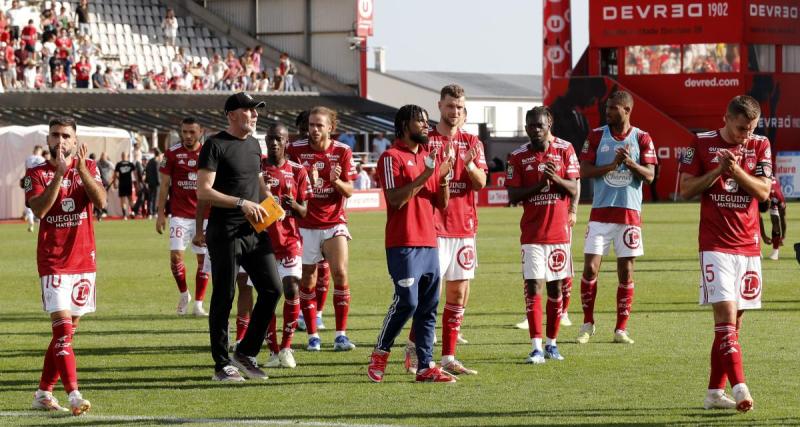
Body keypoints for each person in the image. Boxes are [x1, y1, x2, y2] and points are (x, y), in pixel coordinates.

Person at [678, 95, 770, 412]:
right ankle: (741, 388)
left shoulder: (760, 145)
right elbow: (685, 189)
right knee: (726, 320)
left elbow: (764, 192)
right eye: (742, 128)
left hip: (749, 245)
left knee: (734, 326)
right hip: (715, 245)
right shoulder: (701, 143)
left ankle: (714, 393)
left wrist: (738, 173)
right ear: (727, 118)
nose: (747, 135)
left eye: (751, 128)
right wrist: (719, 170)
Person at [196, 92, 282, 382]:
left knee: (272, 289)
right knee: (225, 295)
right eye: (248, 110)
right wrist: (241, 203)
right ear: (231, 114)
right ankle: (222, 364)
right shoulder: (214, 144)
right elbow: (203, 191)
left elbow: (256, 181)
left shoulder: (255, 145)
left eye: (256, 111)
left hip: (254, 231)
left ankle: (245, 352)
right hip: (225, 231)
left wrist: (270, 202)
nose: (254, 115)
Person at [23, 116, 106, 415]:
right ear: (48, 140)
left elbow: (100, 200)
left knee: (66, 334)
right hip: (54, 262)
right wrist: (59, 175)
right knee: (62, 332)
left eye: (66, 136)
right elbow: (41, 209)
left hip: (84, 262)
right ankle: (73, 394)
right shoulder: (36, 173)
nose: (60, 141)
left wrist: (81, 169)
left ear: (75, 140)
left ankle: (43, 393)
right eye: (55, 135)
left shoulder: (90, 167)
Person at [405, 84, 487, 376]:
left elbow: (480, 183)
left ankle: (449, 356)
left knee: (459, 293)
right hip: (434, 229)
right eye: (451, 106)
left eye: (460, 107)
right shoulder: (428, 141)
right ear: (439, 106)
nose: (455, 112)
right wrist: (439, 174)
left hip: (464, 228)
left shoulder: (472, 142)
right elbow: (417, 179)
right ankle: (414, 351)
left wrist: (468, 164)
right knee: (429, 296)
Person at [368, 104, 452, 383]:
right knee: (408, 302)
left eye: (428, 121)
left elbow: (442, 204)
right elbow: (395, 199)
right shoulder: (391, 157)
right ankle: (380, 352)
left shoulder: (429, 157)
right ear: (404, 125)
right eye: (420, 121)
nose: (426, 126)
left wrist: (443, 178)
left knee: (429, 306)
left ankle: (426, 365)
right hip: (403, 243)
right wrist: (428, 175)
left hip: (429, 241)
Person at [576, 90, 657, 345]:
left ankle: (621, 328)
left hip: (629, 214)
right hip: (601, 213)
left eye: (612, 108)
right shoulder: (597, 135)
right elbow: (584, 169)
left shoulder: (642, 138)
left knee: (626, 271)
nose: (607, 111)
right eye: (607, 107)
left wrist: (630, 163)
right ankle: (588, 323)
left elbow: (650, 175)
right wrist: (611, 166)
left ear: (626, 110)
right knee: (590, 268)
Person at [506, 106, 580, 364]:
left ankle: (552, 344)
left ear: (549, 122)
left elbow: (574, 187)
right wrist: (540, 184)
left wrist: (556, 180)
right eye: (530, 126)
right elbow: (513, 196)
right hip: (533, 234)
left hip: (559, 233)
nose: (535, 130)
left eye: (539, 125)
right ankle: (536, 347)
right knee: (533, 286)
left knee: (555, 289)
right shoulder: (517, 156)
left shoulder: (565, 149)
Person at [287, 106, 357, 352]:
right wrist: (307, 182)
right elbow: (288, 184)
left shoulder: (343, 151)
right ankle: (313, 336)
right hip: (305, 224)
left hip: (334, 222)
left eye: (319, 125)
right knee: (307, 279)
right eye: (311, 125)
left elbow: (349, 190)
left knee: (340, 273)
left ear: (330, 128)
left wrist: (334, 179)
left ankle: (341, 335)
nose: (314, 129)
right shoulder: (295, 150)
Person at [259, 122, 311, 369]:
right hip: (262, 241)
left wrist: (292, 204)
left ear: (287, 141)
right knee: (269, 295)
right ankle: (272, 351)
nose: (274, 142)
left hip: (289, 240)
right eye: (270, 138)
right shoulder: (257, 168)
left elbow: (304, 211)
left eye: (279, 139)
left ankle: (287, 348)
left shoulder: (298, 171)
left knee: (291, 290)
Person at [156, 118, 210, 316]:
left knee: (203, 260)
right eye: (184, 132)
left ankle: (198, 304)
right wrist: (160, 213)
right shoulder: (171, 153)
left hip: (204, 215)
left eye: (192, 132)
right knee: (175, 257)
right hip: (179, 215)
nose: (187, 136)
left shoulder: (208, 153)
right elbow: (164, 186)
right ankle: (184, 294)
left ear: (201, 131)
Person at [758, 176, 787, 260]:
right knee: (753, 220)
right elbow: (758, 218)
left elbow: (783, 216)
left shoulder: (778, 197)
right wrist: (763, 236)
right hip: (759, 190)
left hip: (771, 194)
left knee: (775, 219)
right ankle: (756, 249)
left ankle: (775, 251)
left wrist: (783, 236)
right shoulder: (756, 192)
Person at [23, 145, 45, 232]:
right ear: (39, 151)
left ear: (34, 150)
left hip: (29, 180)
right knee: (41, 202)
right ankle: (40, 222)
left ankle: (31, 221)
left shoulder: (28, 158)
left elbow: (26, 170)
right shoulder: (42, 159)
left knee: (28, 201)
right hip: (39, 181)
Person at [110, 151, 135, 219]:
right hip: (128, 183)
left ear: (121, 156)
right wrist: (136, 183)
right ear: (126, 156)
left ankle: (125, 215)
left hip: (122, 184)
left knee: (123, 199)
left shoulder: (119, 164)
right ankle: (132, 212)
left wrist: (115, 182)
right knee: (129, 199)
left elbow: (115, 174)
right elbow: (135, 173)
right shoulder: (130, 164)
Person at [144, 147, 161, 218]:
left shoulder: (150, 161)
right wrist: (159, 181)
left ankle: (149, 213)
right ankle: (154, 212)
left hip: (150, 182)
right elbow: (157, 173)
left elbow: (146, 171)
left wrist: (147, 181)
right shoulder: (157, 162)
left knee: (150, 197)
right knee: (155, 198)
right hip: (156, 182)